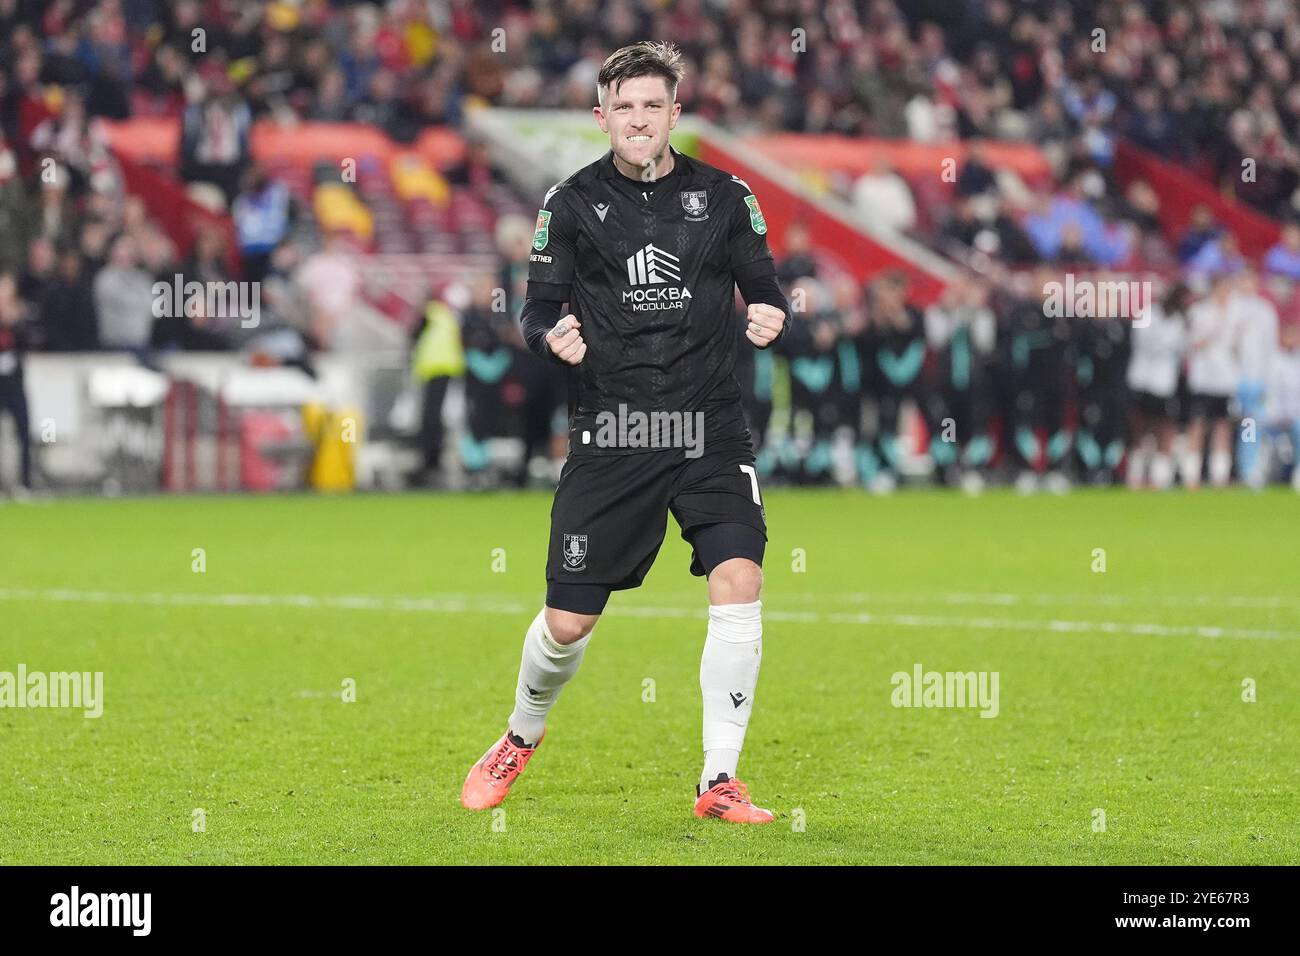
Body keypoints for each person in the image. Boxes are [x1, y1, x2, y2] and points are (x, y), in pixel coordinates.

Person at [460, 42, 790, 824]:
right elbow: (535, 307)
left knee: (739, 578)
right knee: (568, 623)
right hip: (614, 431)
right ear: (601, 116)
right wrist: (551, 337)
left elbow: (764, 283)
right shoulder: (569, 203)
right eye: (625, 106)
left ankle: (719, 780)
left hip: (710, 428)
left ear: (676, 114)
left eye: (654, 105)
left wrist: (772, 312)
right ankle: (519, 734)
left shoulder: (726, 194)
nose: (639, 119)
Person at [1126, 283, 1190, 490]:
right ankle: (1135, 474)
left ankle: (1158, 475)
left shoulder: (1180, 321)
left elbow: (1182, 349)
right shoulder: (1148, 314)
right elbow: (1141, 342)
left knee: (1164, 426)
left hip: (1164, 382)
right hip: (1142, 378)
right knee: (1139, 426)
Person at [1184, 272, 1240, 488]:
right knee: (1198, 424)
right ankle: (1192, 474)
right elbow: (1192, 342)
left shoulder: (1237, 314)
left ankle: (1219, 476)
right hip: (1203, 378)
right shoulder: (1200, 312)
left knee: (1223, 426)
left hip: (1226, 379)